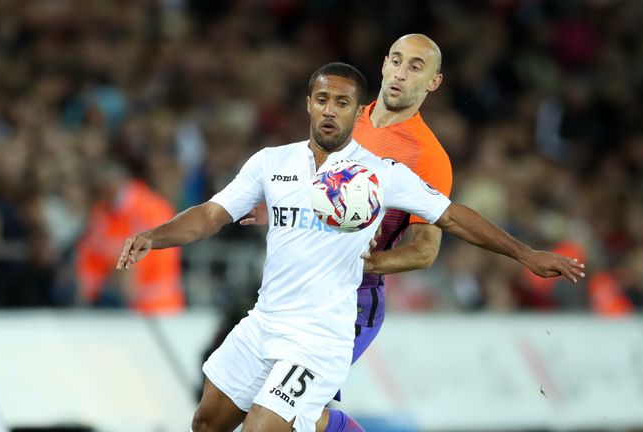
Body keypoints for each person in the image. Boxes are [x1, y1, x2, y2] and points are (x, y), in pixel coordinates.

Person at [116, 62, 585, 432]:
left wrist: (526, 254)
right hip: (265, 321)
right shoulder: (272, 162)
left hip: (320, 337)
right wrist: (153, 237)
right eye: (322, 99)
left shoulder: (379, 174)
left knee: (264, 429)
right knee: (206, 422)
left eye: (342, 102)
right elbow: (210, 215)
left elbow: (453, 215)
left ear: (355, 110)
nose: (329, 110)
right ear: (308, 104)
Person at [240, 34, 585, 432]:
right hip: (296, 290)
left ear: (433, 82)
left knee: (271, 420)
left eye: (416, 67)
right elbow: (312, 188)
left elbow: (425, 249)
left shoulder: (427, 156)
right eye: (397, 61)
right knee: (289, 416)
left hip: (350, 300)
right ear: (384, 64)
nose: (401, 74)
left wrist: (366, 262)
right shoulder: (342, 118)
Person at [77, 160, 184, 314]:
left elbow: (165, 251)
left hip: (159, 307)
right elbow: (91, 254)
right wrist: (89, 289)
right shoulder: (101, 215)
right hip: (116, 310)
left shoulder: (151, 209)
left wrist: (131, 269)